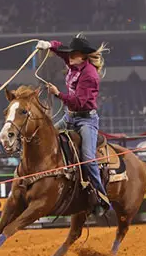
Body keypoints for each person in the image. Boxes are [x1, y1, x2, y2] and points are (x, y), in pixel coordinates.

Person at [37, 34, 111, 216]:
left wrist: (58, 94)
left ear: (83, 56)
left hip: (86, 119)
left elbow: (79, 103)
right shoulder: (74, 63)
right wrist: (49, 45)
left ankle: (102, 197)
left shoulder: (90, 76)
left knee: (87, 157)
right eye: (70, 53)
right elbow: (62, 50)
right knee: (48, 137)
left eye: (74, 53)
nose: (69, 56)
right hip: (70, 117)